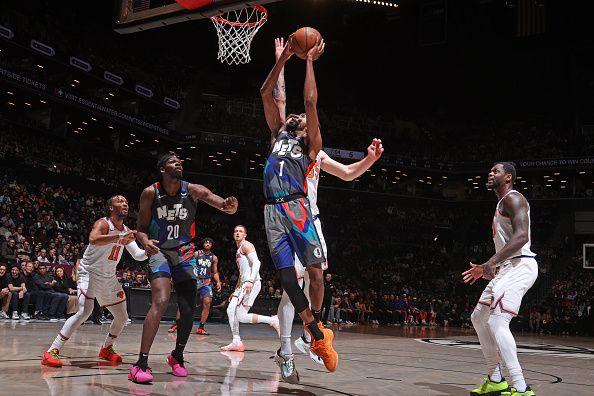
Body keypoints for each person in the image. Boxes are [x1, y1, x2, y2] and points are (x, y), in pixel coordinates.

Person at [267, 37, 384, 382]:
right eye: (299, 119)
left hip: (310, 220)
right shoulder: (284, 141)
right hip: (286, 215)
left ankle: (309, 334)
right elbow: (280, 99)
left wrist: (369, 159)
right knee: (294, 287)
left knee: (312, 282)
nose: (301, 118)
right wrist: (283, 61)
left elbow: (348, 173)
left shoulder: (316, 153)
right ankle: (287, 351)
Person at [260, 34, 339, 376]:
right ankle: (313, 328)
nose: (294, 115)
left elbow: (309, 102)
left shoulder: (311, 146)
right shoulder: (278, 133)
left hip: (297, 208)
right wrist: (283, 59)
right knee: (287, 280)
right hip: (272, 211)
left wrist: (308, 60)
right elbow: (269, 94)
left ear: (309, 129)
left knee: (316, 274)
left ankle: (315, 328)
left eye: (300, 117)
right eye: (290, 115)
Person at [129, 152, 238, 384]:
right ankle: (140, 363)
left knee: (188, 308)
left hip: (185, 253)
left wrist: (228, 206)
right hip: (160, 252)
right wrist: (145, 241)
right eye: (172, 161)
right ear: (162, 169)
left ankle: (177, 356)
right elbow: (140, 228)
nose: (178, 163)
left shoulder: (193, 190)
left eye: (180, 161)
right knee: (161, 300)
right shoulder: (151, 193)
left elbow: (216, 200)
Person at [41, 195, 147, 367]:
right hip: (89, 272)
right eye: (120, 201)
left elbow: (138, 255)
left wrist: (149, 250)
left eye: (126, 201)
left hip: (108, 276)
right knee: (85, 311)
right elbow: (93, 239)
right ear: (111, 208)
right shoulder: (103, 224)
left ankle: (106, 348)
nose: (125, 203)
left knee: (122, 317)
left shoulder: (125, 229)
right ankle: (52, 350)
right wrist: (120, 236)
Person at [462, 162, 538, 396]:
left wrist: (490, 264)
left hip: (520, 264)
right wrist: (489, 266)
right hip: (507, 266)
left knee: (496, 322)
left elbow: (521, 237)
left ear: (508, 177)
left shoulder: (514, 199)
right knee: (478, 317)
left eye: (496, 171)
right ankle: (495, 378)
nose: (490, 173)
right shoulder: (500, 203)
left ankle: (521, 387)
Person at [221, 225, 279, 351]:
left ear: (245, 235)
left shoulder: (246, 245)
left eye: (240, 231)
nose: (237, 233)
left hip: (251, 283)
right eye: (235, 231)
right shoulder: (238, 250)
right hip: (244, 283)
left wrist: (250, 281)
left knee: (232, 310)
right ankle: (237, 341)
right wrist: (236, 290)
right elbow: (242, 273)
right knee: (238, 314)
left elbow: (257, 263)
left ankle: (272, 320)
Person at [168, 237, 221, 335]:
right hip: (195, 279)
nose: (208, 244)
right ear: (203, 244)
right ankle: (176, 323)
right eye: (206, 242)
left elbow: (215, 271)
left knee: (207, 302)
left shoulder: (214, 257)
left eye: (209, 243)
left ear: (212, 245)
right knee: (185, 300)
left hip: (206, 281)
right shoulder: (197, 254)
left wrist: (218, 282)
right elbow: (188, 263)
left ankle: (201, 327)